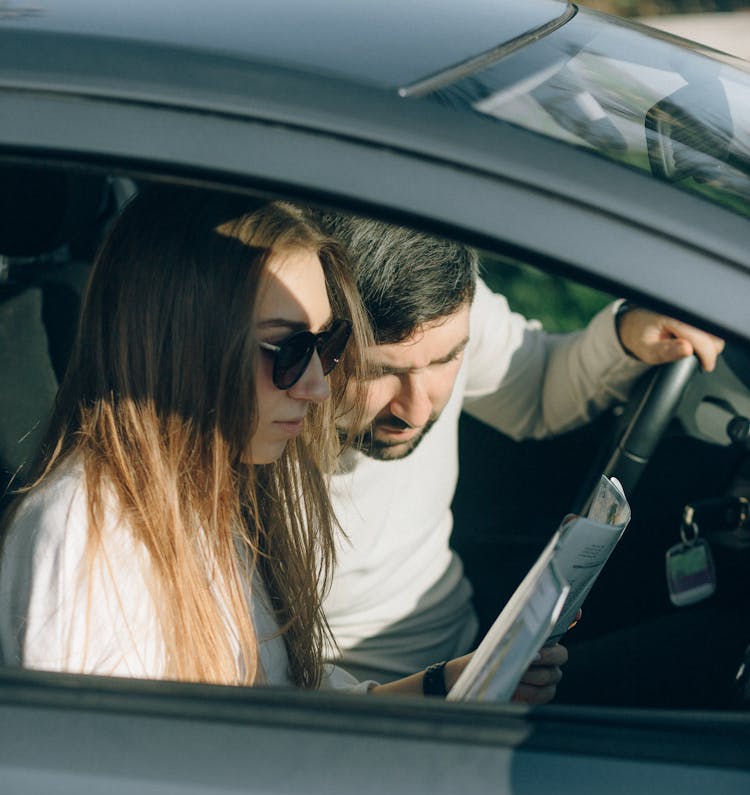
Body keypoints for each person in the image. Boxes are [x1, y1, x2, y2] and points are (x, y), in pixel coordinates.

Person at [0, 188, 501, 699]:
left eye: (325, 346)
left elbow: (283, 702)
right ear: (188, 344)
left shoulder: (220, 489)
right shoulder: (84, 534)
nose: (317, 385)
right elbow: (108, 770)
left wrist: (444, 688)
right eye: (287, 349)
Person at [314, 213, 725, 683]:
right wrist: (439, 689)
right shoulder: (240, 451)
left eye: (448, 359)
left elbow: (535, 388)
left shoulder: (442, 301)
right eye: (375, 372)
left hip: (471, 648)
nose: (418, 409)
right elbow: (263, 686)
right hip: (368, 721)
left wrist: (627, 337)